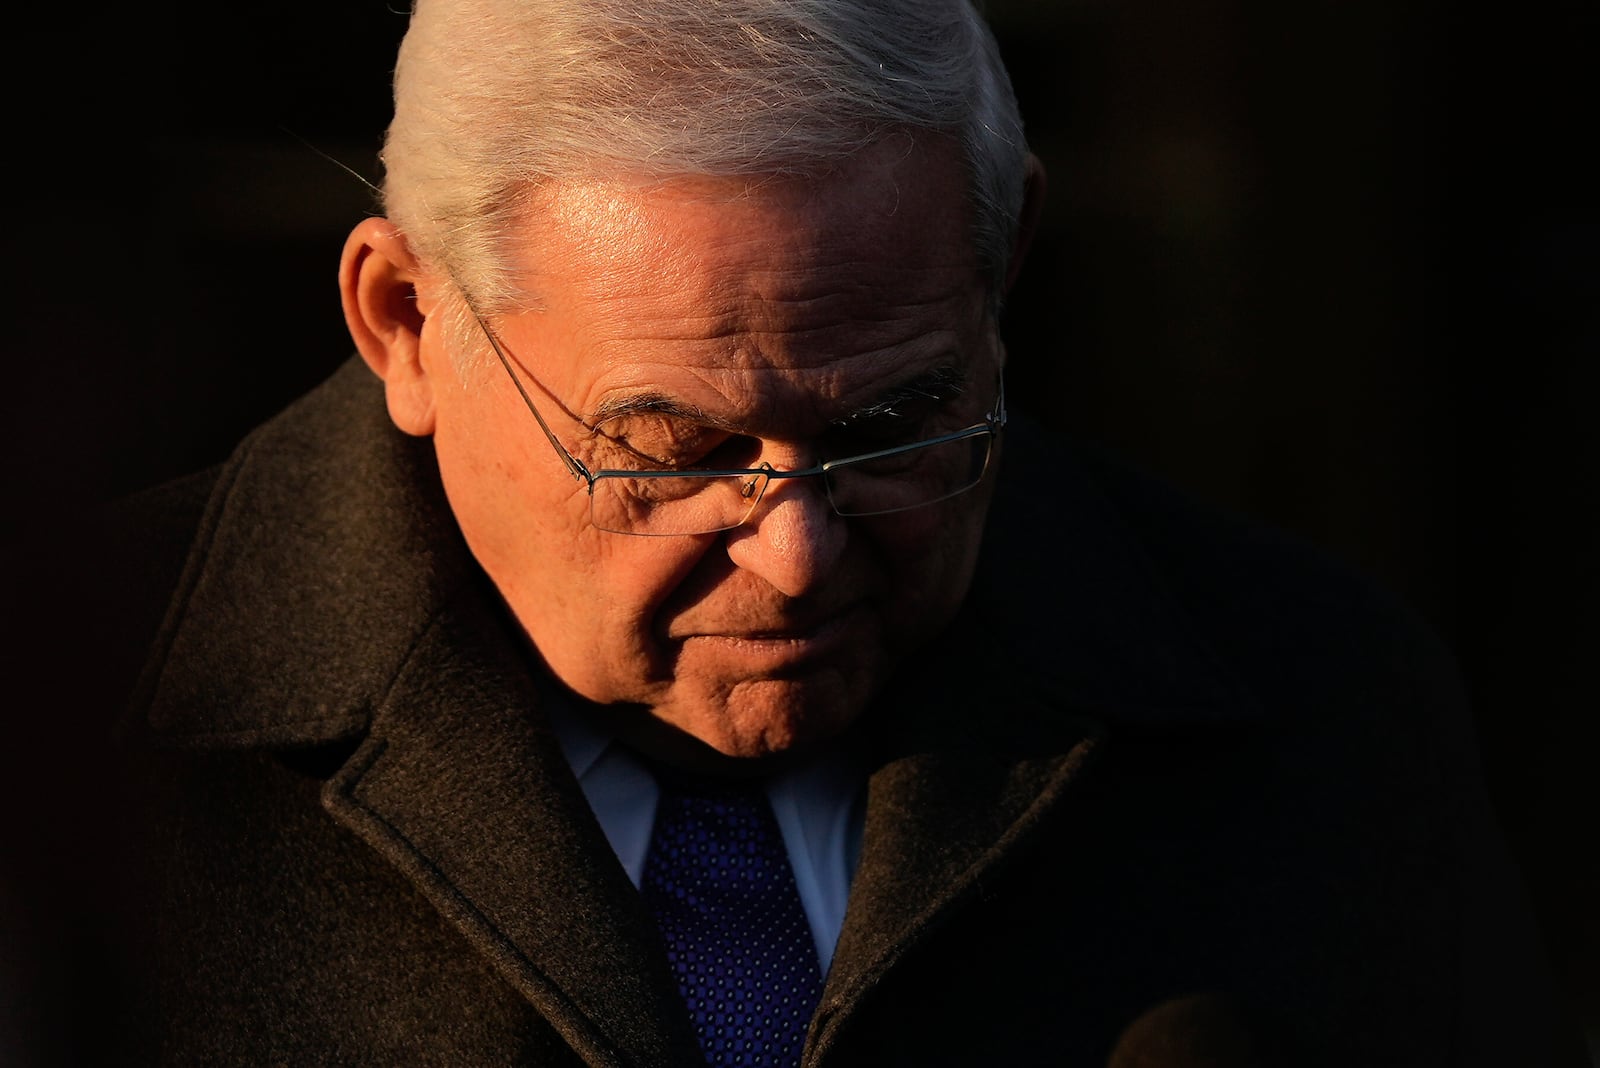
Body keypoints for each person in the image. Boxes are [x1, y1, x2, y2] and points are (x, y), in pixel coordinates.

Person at [13, 0, 1587, 1065]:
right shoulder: (53, 737)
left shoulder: (1317, 713)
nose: (798, 551)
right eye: (673, 448)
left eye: (896, 425)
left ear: (1008, 263)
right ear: (407, 321)